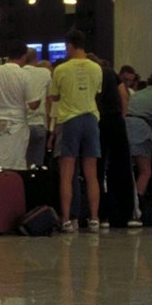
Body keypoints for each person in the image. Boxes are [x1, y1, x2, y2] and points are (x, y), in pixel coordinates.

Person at [47, 31, 106, 232]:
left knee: (67, 173)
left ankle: (66, 219)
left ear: (70, 46)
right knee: (91, 173)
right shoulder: (97, 68)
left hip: (70, 119)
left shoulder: (61, 69)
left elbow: (54, 97)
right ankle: (94, 218)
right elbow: (96, 92)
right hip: (91, 119)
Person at [0, 44, 36, 173]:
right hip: (16, 124)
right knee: (14, 164)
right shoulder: (24, 75)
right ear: (23, 57)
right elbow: (33, 103)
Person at [126, 70, 152, 223]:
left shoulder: (137, 94)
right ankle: (138, 204)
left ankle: (127, 201)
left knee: (128, 170)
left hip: (126, 126)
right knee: (145, 171)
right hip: (142, 130)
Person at [21, 49, 53, 168]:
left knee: (22, 163)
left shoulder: (18, 73)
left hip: (21, 125)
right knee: (36, 165)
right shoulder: (45, 73)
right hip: (39, 123)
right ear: (36, 58)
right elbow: (49, 101)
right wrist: (50, 126)